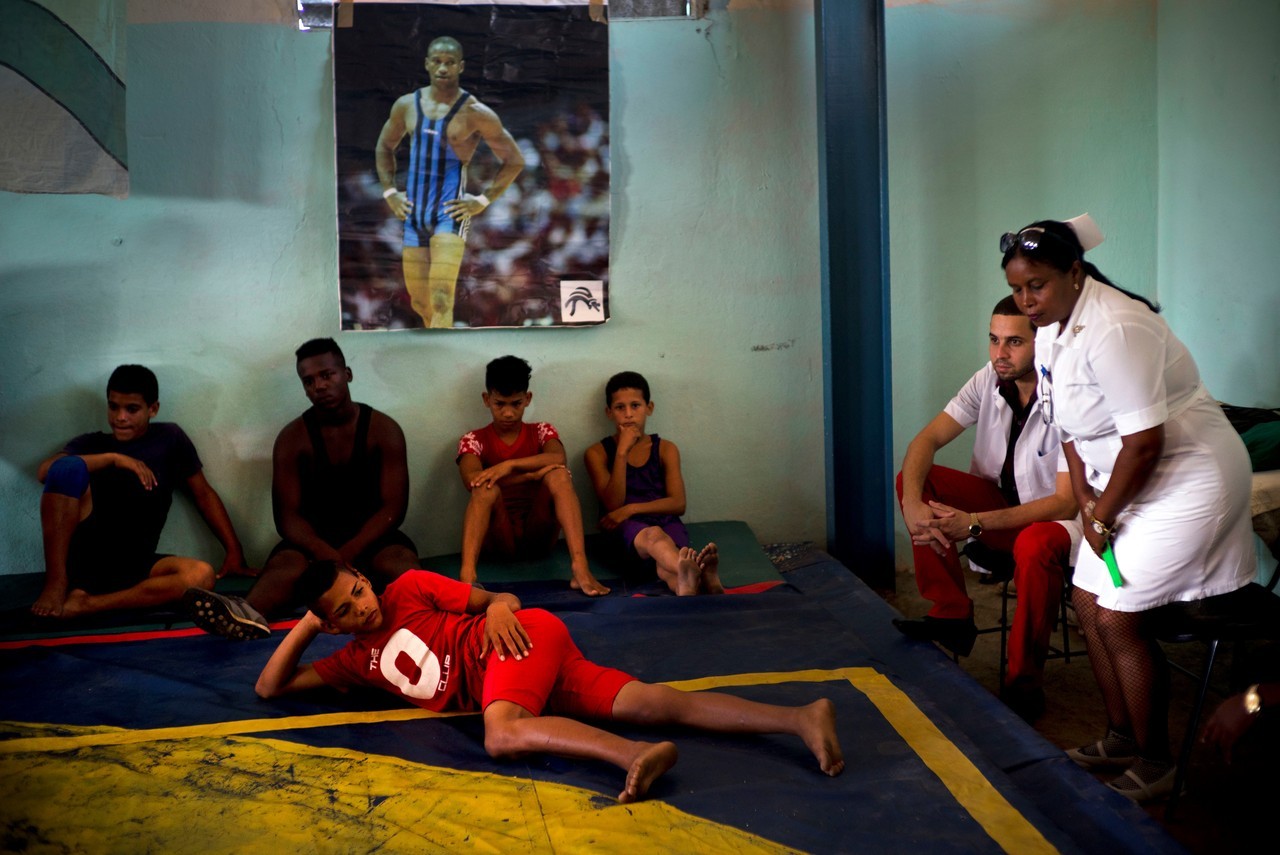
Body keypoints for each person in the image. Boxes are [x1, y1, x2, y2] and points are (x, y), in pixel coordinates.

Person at [1003, 213, 1255, 801]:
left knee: (1118, 616)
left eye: (1035, 285)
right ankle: (1120, 736)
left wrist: (1101, 514)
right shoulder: (1053, 328)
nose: (1026, 300)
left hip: (1188, 482)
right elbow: (1062, 417)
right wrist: (1086, 494)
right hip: (1124, 479)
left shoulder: (1116, 327)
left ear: (1073, 271)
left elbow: (1146, 443)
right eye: (1017, 288)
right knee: (1088, 602)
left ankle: (1157, 761)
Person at [254, 560, 845, 802]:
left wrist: (498, 608)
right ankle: (798, 717)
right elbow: (270, 689)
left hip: (520, 642)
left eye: (357, 589)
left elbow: (497, 598)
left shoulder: (407, 587)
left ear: (362, 576)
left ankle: (634, 756)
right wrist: (307, 622)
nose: (362, 607)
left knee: (503, 734)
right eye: (345, 610)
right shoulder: (354, 660)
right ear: (331, 625)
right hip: (527, 675)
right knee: (649, 701)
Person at [891, 298, 1081, 721]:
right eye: (994, 340)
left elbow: (1066, 502)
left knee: (1034, 544)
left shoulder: (1066, 393)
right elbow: (924, 442)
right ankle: (951, 612)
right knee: (915, 479)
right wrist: (912, 507)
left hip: (1055, 523)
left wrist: (973, 524)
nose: (1000, 354)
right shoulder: (987, 381)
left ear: (1043, 342)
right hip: (998, 512)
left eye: (1014, 342)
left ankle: (1023, 680)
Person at [187, 338, 419, 640]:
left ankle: (446, 605)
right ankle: (243, 615)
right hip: (312, 543)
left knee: (400, 563)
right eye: (309, 381)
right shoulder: (292, 438)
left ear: (347, 374)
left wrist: (346, 554)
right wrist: (328, 556)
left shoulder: (383, 430)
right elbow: (287, 518)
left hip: (373, 538)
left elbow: (393, 509)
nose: (319, 386)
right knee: (285, 567)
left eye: (327, 375)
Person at [31, 365, 254, 619]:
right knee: (67, 467)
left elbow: (203, 494)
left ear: (153, 409)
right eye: (113, 407)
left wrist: (234, 551)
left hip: (136, 563)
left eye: (131, 409)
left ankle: (87, 604)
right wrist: (114, 458)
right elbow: (46, 472)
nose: (120, 417)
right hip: (86, 565)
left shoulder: (170, 439)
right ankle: (56, 585)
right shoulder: (92, 443)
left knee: (201, 575)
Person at [376, 36, 525, 329]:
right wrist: (390, 192)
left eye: (449, 62)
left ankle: (441, 353)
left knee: (442, 296)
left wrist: (482, 200)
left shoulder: (476, 112)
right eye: (437, 61)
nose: (443, 68)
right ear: (427, 64)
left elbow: (515, 160)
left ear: (461, 66)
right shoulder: (406, 105)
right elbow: (384, 147)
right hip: (413, 214)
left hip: (450, 213)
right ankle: (440, 348)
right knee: (419, 302)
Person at [455, 355, 608, 596]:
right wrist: (529, 476)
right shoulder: (473, 440)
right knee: (484, 487)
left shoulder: (541, 431)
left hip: (539, 536)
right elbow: (472, 479)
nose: (507, 413)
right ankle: (467, 579)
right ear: (487, 400)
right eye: (500, 404)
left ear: (528, 399)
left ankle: (580, 566)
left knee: (558, 475)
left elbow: (558, 459)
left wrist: (510, 465)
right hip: (498, 539)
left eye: (515, 404)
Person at [583, 371, 723, 596]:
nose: (628, 414)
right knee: (654, 536)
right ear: (609, 413)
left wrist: (631, 509)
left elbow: (678, 504)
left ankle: (687, 585)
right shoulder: (597, 453)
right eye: (620, 408)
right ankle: (699, 573)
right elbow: (612, 505)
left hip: (666, 524)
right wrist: (621, 453)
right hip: (625, 532)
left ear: (649, 408)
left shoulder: (666, 449)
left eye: (635, 405)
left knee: (664, 564)